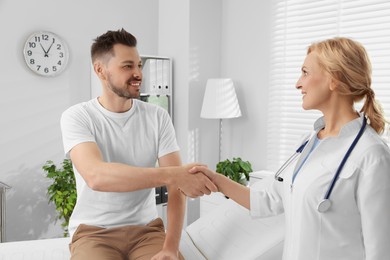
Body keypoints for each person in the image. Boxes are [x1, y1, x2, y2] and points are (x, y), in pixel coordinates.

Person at [190, 37, 390, 260]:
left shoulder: (372, 154)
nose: (298, 83)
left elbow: (380, 249)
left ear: (335, 79)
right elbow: (268, 200)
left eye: (305, 72)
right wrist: (215, 180)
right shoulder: (309, 141)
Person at [60, 28, 217, 260]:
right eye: (127, 66)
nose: (138, 73)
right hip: (94, 233)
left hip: (146, 231)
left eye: (139, 65)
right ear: (100, 71)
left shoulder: (158, 116)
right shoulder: (78, 116)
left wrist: (171, 248)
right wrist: (173, 174)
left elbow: (177, 187)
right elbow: (96, 176)